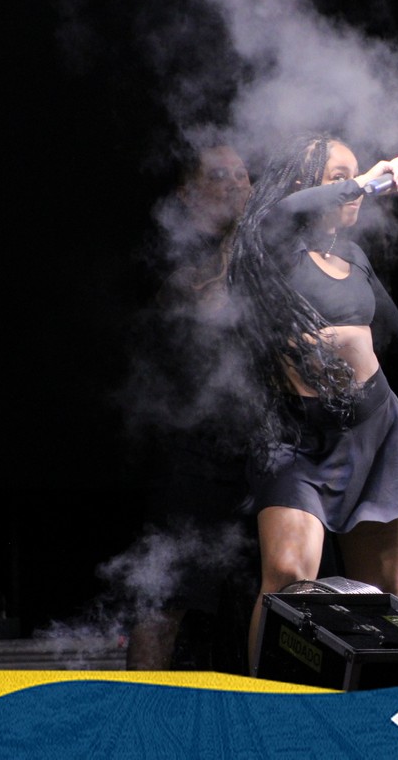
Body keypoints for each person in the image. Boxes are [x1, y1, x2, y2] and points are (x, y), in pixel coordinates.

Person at [226, 132, 398, 671]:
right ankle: (266, 702)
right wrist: (369, 180)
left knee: (378, 593)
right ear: (305, 184)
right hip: (300, 441)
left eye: (355, 177)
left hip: (376, 434)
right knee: (287, 578)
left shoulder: (353, 258)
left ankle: (361, 709)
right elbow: (282, 211)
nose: (354, 189)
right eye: (338, 177)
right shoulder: (273, 244)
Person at [125, 143, 254, 671]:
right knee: (166, 596)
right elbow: (202, 302)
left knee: (274, 598)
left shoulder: (260, 247)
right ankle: (139, 717)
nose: (237, 185)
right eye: (220, 175)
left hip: (257, 447)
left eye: (243, 176)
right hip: (191, 451)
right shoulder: (169, 247)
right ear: (187, 192)